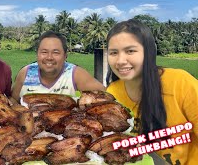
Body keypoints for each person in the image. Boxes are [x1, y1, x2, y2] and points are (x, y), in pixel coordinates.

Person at [106, 19, 198, 165]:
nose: (120, 60)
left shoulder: (180, 83)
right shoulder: (112, 92)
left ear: (148, 52)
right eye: (113, 53)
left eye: (130, 51)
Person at [11, 30, 105, 103]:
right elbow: (13, 100)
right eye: (44, 52)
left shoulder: (75, 74)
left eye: (56, 52)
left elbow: (105, 96)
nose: (49, 57)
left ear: (65, 56)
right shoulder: (26, 73)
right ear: (37, 54)